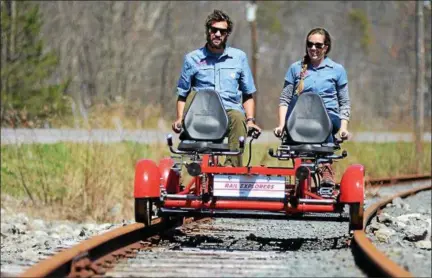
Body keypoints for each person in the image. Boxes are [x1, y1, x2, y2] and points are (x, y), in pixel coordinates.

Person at [172, 9, 261, 167]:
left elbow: (248, 94)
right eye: (214, 30)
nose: (218, 34)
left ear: (227, 34)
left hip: (229, 112)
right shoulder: (192, 59)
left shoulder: (239, 58)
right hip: (202, 113)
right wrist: (179, 118)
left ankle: (230, 169)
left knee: (238, 118)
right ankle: (202, 167)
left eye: (223, 31)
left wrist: (251, 120)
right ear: (208, 31)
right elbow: (182, 95)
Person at [274, 27, 351, 186]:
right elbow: (285, 99)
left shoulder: (337, 70)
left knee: (324, 124)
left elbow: (344, 102)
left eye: (318, 45)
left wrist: (343, 128)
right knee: (296, 124)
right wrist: (282, 125)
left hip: (329, 118)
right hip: (301, 119)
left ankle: (325, 169)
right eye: (310, 44)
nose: (313, 48)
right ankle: (301, 173)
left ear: (326, 47)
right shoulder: (296, 68)